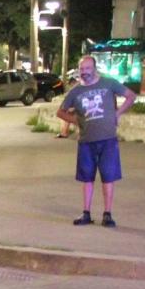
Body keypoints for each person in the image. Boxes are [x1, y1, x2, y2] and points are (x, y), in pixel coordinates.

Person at [57, 55, 135, 227]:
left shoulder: (108, 83)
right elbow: (61, 112)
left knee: (108, 177)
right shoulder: (75, 91)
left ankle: (107, 214)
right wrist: (76, 121)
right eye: (82, 69)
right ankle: (86, 213)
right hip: (86, 141)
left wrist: (117, 113)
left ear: (94, 68)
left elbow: (131, 96)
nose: (84, 72)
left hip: (108, 140)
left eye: (87, 68)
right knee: (87, 178)